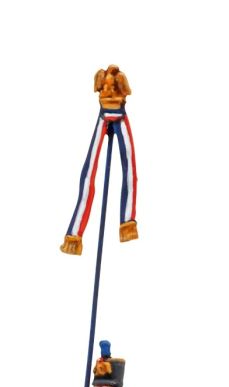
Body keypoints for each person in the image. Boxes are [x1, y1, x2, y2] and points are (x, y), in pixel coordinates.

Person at [60, 65, 138, 256]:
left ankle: (126, 223)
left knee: (128, 170)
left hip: (115, 114)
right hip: (108, 115)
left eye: (112, 88)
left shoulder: (118, 101)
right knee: (88, 176)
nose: (108, 91)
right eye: (105, 88)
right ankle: (75, 236)